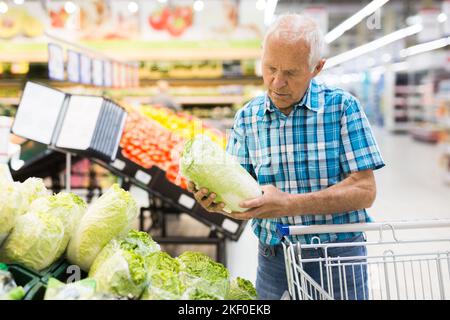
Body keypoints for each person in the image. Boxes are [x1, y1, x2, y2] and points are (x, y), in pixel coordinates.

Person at [187, 14, 385, 300]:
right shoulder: (247, 118)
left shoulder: (343, 108)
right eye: (270, 68)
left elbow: (365, 191)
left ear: (316, 68)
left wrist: (289, 204)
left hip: (338, 255)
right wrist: (215, 202)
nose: (277, 82)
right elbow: (241, 201)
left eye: (291, 73)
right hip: (274, 259)